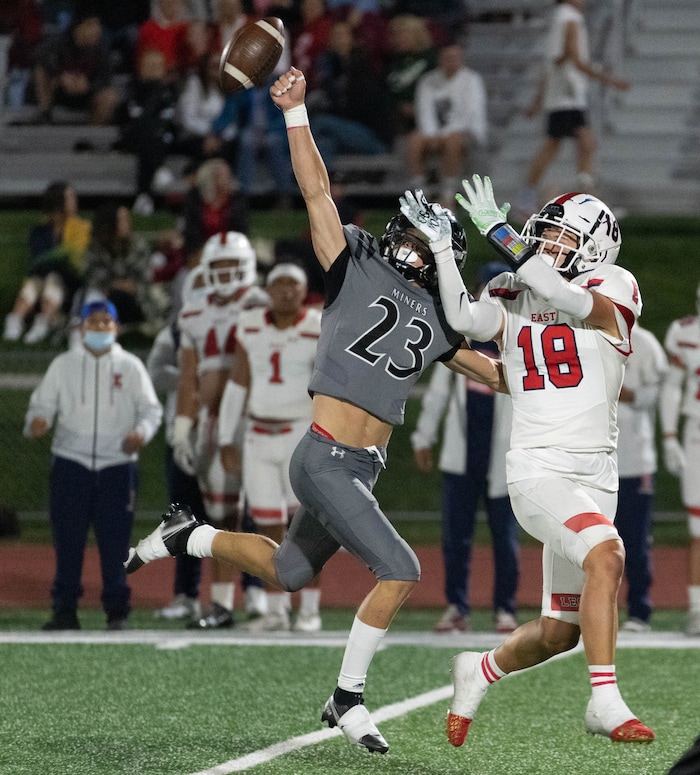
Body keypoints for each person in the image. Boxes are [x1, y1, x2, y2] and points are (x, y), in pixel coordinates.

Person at [124, 64, 506, 755]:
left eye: (428, 243)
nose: (413, 248)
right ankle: (347, 696)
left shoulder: (445, 318)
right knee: (403, 570)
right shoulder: (352, 263)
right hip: (325, 454)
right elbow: (316, 188)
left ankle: (188, 533)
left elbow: (499, 375)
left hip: (360, 465)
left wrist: (563, 352)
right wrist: (295, 113)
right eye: (413, 236)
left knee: (288, 571)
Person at [397, 174, 654, 745]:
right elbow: (464, 323)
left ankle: (478, 668)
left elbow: (567, 298)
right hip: (538, 467)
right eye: (548, 236)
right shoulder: (516, 288)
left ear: (594, 247)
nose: (550, 247)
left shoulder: (614, 285)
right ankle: (605, 703)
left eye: (563, 239)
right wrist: (443, 251)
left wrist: (504, 235)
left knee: (558, 634)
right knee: (608, 555)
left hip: (597, 471)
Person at [25, 300, 162, 631]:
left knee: (115, 542)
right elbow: (39, 407)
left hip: (117, 465)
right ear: (82, 327)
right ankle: (64, 610)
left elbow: (151, 410)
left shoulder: (130, 367)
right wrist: (37, 422)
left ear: (116, 328)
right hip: (72, 464)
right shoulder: (64, 365)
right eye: (94, 322)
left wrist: (140, 433)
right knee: (68, 540)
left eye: (106, 322)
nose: (100, 328)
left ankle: (117, 611)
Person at [411, 263, 519, 635]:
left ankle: (505, 608)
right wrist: (423, 437)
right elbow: (439, 395)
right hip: (462, 457)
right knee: (455, 537)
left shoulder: (521, 341)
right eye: (484, 289)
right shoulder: (459, 339)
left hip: (505, 460)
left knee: (506, 540)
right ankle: (457, 606)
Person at [218, 263, 323, 632]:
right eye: (278, 284)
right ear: (267, 289)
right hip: (258, 435)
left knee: (306, 523)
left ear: (304, 289)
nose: (286, 291)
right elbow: (238, 383)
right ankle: (277, 610)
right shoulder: (250, 326)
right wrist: (224, 437)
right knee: (267, 526)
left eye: (293, 284)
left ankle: (309, 609)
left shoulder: (317, 325)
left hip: (300, 433)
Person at [171, 230, 268, 629]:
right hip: (213, 421)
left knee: (264, 511)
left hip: (258, 417)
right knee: (223, 514)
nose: (226, 274)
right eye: (220, 267)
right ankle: (224, 602)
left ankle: (265, 597)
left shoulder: (261, 303)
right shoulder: (193, 311)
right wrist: (182, 427)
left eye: (233, 266)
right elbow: (188, 376)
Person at [513, 0, 630, 221]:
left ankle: (529, 199)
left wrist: (539, 99)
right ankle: (588, 201)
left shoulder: (558, 17)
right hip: (567, 94)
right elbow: (576, 59)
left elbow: (551, 62)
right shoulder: (570, 19)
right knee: (579, 143)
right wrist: (610, 79)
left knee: (568, 144)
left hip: (560, 95)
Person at [616, 325, 668, 633]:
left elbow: (655, 393)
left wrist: (622, 392)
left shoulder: (645, 342)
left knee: (635, 541)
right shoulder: (584, 333)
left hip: (635, 459)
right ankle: (586, 610)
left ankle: (639, 610)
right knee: (585, 542)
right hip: (594, 458)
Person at [3, 180, 90, 344]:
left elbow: (73, 258)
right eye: (70, 197)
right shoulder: (40, 230)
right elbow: (39, 257)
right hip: (41, 278)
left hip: (69, 281)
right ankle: (15, 321)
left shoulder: (82, 228)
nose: (75, 201)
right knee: (33, 283)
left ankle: (42, 323)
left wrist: (53, 260)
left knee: (52, 279)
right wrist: (55, 259)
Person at [659, 285, 700, 637]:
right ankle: (698, 608)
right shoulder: (686, 331)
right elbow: (672, 385)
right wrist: (670, 434)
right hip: (697, 428)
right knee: (698, 528)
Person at [406, 42, 487, 207]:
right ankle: (421, 196)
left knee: (453, 141)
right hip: (435, 133)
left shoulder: (472, 80)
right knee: (414, 140)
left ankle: (447, 196)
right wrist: (431, 134)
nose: (450, 62)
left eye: (454, 58)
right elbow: (424, 110)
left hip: (464, 131)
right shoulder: (428, 81)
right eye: (447, 58)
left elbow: (470, 114)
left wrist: (443, 135)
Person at [32, 8, 119, 125]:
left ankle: (94, 132)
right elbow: (40, 56)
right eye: (90, 25)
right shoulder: (60, 40)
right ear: (78, 27)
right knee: (41, 70)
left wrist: (87, 86)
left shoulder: (101, 47)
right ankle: (45, 113)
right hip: (61, 91)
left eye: (97, 25)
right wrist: (61, 76)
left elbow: (106, 80)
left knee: (110, 97)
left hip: (88, 93)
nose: (96, 30)